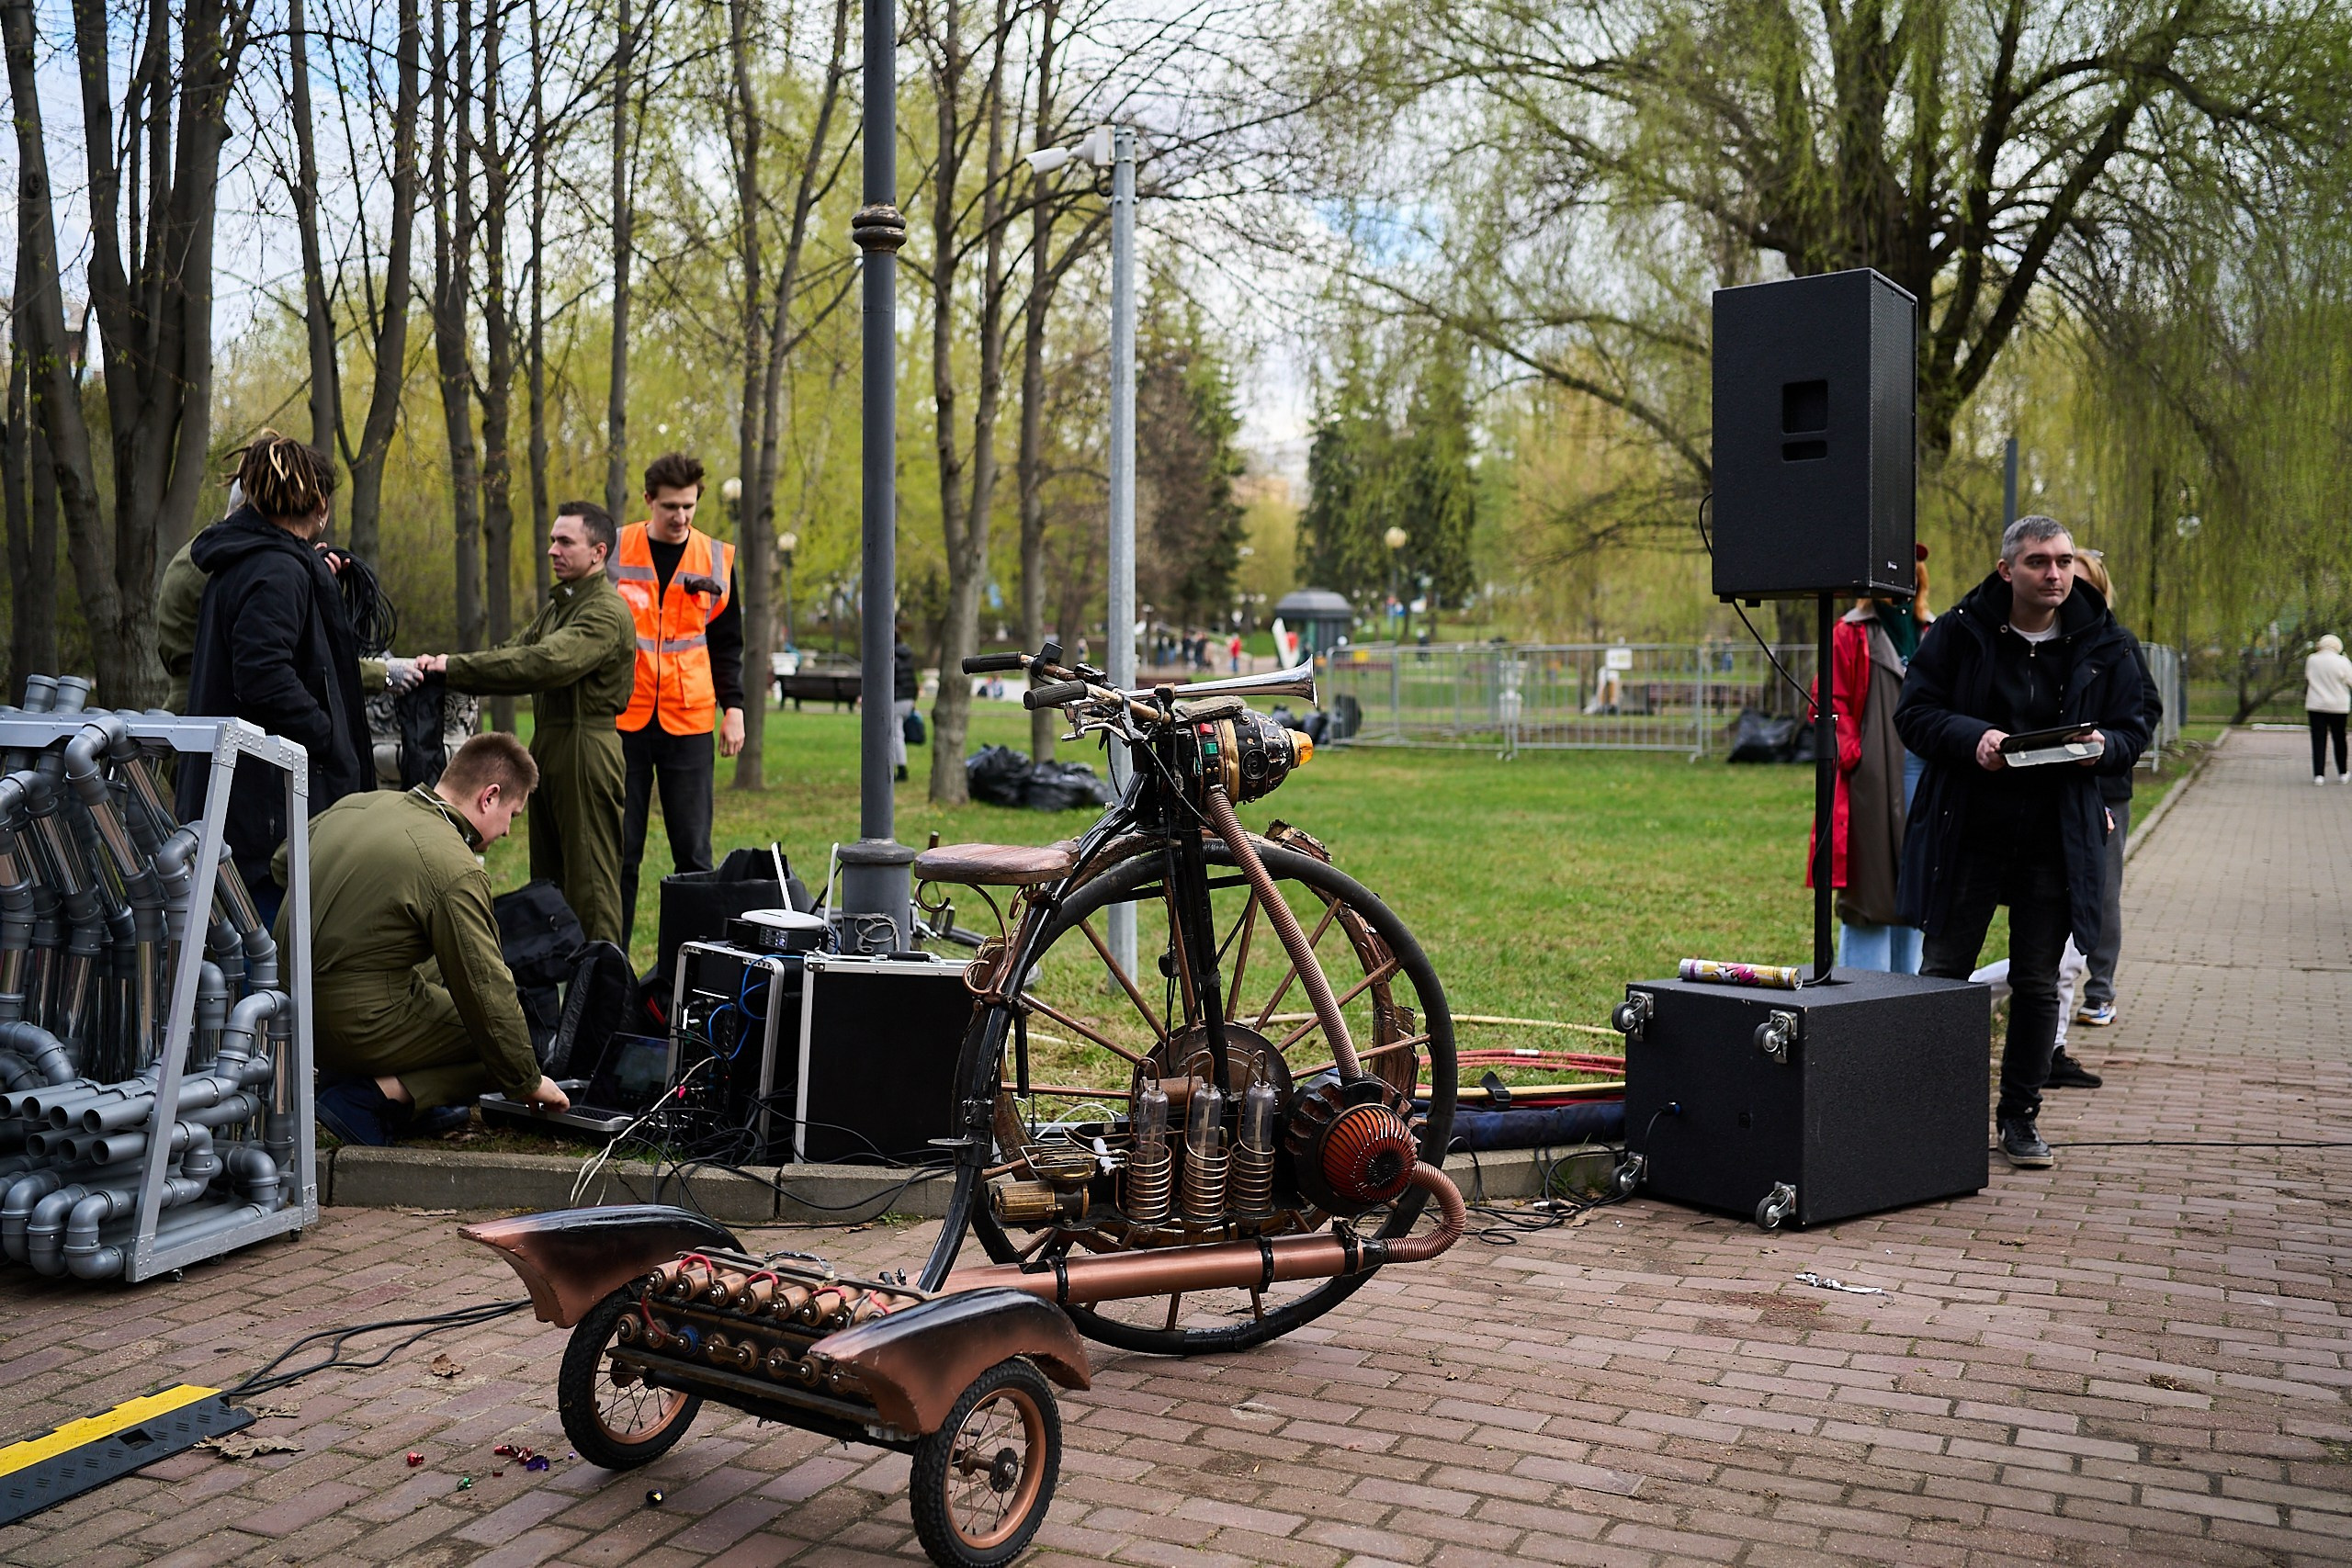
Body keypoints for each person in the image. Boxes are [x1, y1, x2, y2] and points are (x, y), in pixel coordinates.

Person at [1895, 515, 2152, 1171]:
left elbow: (2136, 723)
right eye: (2038, 561)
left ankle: (2019, 1118)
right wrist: (1972, 737)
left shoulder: (2108, 641)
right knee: (1943, 973)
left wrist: (2105, 748)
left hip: (2055, 837)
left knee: (2038, 982)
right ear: (2007, 569)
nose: (2055, 573)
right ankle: (1926, 1115)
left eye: (2063, 560)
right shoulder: (1960, 630)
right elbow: (1914, 713)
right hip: (1969, 830)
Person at [295, 733, 570, 1145]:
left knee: (436, 968)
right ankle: (372, 1097)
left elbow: (282, 863)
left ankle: (373, 1085)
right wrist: (528, 1081)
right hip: (349, 1024)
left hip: (289, 1006)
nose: (508, 831)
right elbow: (485, 991)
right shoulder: (453, 864)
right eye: (512, 814)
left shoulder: (358, 805)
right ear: (489, 797)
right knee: (506, 1039)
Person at [414, 503, 637, 947]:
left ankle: (603, 986)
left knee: (591, 885)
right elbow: (511, 653)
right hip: (551, 743)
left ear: (598, 552)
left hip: (586, 748)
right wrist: (447, 665)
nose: (552, 550)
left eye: (565, 542)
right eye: (552, 540)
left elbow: (543, 662)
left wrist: (454, 668)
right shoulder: (560, 608)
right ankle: (556, 982)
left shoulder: (604, 612)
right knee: (549, 882)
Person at [177, 434, 374, 923]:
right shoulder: (276, 569)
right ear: (320, 504)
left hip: (240, 808)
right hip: (262, 824)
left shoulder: (250, 562)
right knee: (266, 956)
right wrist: (328, 737)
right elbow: (263, 676)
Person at [612, 453, 745, 943]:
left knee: (693, 855)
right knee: (620, 853)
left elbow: (727, 644)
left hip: (688, 722)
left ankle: (691, 969)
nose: (681, 516)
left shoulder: (716, 558)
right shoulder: (615, 550)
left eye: (689, 506)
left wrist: (734, 709)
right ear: (649, 500)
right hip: (623, 719)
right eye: (670, 506)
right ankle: (611, 965)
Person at [2064, 548, 2161, 1052]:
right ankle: (2047, 988)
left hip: (2106, 788)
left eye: (2081, 582)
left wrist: (2108, 744)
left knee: (2101, 890)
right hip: (2051, 785)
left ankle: (2099, 990)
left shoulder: (2119, 643)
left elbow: (2147, 708)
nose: (2067, 588)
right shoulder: (2042, 640)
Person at [1806, 595, 1921, 974]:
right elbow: (1828, 702)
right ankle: (1863, 993)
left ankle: (1911, 994)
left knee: (1917, 888)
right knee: (1869, 891)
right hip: (1872, 782)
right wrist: (1858, 756)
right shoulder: (1851, 633)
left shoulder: (1932, 630)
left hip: (1923, 776)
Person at [2305, 633, 2352, 785]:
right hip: (2338, 706)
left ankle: (2319, 775)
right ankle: (2343, 772)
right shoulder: (2343, 661)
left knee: (2318, 739)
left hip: (2316, 705)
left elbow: (2308, 677)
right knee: (2339, 739)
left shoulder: (2312, 660)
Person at [892, 627, 918, 783]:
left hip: (897, 699)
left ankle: (901, 768)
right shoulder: (907, 656)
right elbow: (912, 679)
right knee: (897, 733)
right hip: (908, 699)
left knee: (896, 735)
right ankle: (899, 765)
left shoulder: (892, 657)